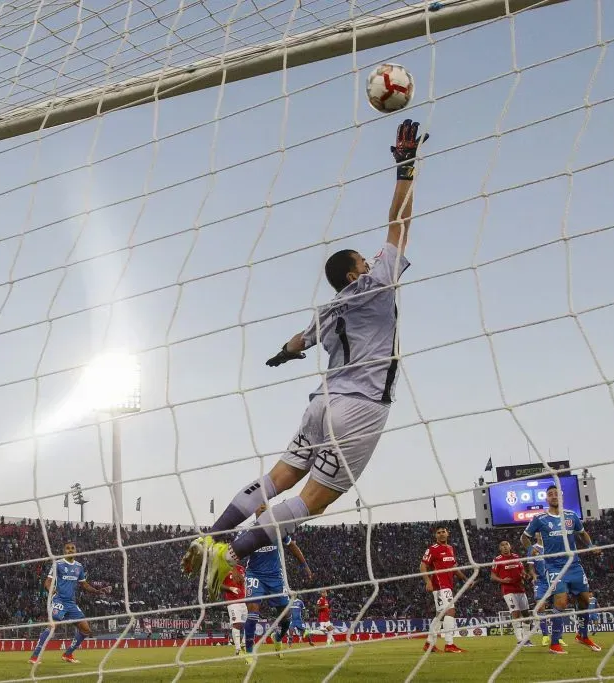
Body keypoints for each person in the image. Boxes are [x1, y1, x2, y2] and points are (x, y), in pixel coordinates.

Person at [181, 119, 427, 598]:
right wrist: (406, 167)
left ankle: (211, 535)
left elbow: (299, 341)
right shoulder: (377, 286)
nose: (369, 261)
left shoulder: (328, 308)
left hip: (321, 402)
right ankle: (228, 555)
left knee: (279, 476)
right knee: (312, 502)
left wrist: (282, 354)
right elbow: (400, 225)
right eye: (363, 259)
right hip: (360, 406)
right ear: (357, 270)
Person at [521, 485, 602, 655]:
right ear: (546, 499)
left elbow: (582, 533)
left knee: (585, 601)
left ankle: (582, 635)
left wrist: (590, 545)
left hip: (574, 565)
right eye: (550, 494)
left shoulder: (572, 516)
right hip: (554, 567)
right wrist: (531, 550)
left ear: (561, 497)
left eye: (556, 493)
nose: (553, 496)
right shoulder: (540, 518)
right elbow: (524, 537)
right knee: (561, 602)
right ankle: (554, 643)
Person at [240, 504, 313, 660]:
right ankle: (250, 652)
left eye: (265, 509)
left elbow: (292, 546)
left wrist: (304, 565)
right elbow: (235, 551)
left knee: (286, 618)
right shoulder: (247, 531)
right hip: (254, 575)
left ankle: (278, 637)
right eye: (259, 508)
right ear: (255, 512)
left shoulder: (277, 529)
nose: (262, 510)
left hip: (275, 578)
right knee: (253, 610)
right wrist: (234, 570)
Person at [28, 542, 108, 665]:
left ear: (76, 550)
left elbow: (84, 585)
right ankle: (34, 657)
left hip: (71, 603)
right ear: (64, 551)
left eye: (72, 548)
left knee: (86, 629)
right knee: (52, 626)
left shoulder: (79, 567)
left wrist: (97, 591)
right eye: (68, 548)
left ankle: (68, 654)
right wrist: (51, 590)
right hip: (59, 600)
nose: (70, 550)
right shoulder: (58, 564)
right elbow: (47, 583)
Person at [420, 523, 468, 654]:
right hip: (440, 585)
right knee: (451, 611)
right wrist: (427, 581)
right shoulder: (433, 549)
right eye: (439, 532)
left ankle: (429, 643)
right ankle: (449, 644)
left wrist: (465, 579)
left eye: (443, 532)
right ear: (435, 535)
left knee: (439, 615)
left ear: (448, 533)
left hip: (447, 584)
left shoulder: (450, 548)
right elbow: (423, 566)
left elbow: (454, 568)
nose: (441, 534)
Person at [491, 540, 533, 647]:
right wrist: (503, 580)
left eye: (506, 544)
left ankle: (527, 639)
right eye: (502, 545)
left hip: (520, 589)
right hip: (508, 590)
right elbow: (493, 576)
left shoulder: (516, 557)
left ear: (510, 546)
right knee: (516, 612)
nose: (505, 547)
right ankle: (520, 640)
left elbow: (522, 571)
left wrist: (525, 575)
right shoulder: (497, 560)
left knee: (526, 615)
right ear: (500, 549)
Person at [222, 563, 248, 655]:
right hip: (232, 602)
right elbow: (219, 585)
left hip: (243, 601)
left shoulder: (241, 568)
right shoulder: (224, 568)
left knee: (248, 623)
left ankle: (244, 644)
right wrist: (230, 588)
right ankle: (238, 649)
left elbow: (244, 582)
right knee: (236, 624)